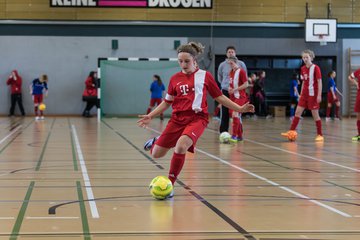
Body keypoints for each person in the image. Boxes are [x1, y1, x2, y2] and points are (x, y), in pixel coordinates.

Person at [137, 42, 254, 198]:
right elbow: (167, 102)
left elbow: (220, 96)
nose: (183, 64)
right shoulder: (174, 79)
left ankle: (170, 185)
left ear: (194, 60)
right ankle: (155, 142)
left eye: (187, 61)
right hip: (177, 119)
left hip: (197, 119)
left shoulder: (205, 76)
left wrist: (238, 108)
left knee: (181, 146)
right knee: (157, 154)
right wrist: (151, 115)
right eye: (180, 61)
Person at [281, 50, 324, 141]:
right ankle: (291, 131)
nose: (305, 59)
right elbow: (304, 82)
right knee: (297, 112)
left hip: (313, 94)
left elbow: (320, 82)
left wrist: (319, 95)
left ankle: (320, 134)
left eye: (307, 57)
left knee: (315, 114)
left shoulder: (316, 68)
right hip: (304, 95)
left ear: (311, 58)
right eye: (303, 57)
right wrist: (300, 94)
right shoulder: (303, 68)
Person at [217, 46, 247, 133]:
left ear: (235, 53)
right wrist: (226, 85)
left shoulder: (241, 64)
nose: (231, 53)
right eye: (229, 52)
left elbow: (244, 78)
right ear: (226, 54)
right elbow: (220, 77)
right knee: (225, 112)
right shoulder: (222, 65)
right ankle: (223, 132)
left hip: (237, 92)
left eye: (232, 52)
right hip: (226, 91)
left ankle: (238, 134)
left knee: (237, 112)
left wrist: (236, 87)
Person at [228, 56, 248, 142]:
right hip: (233, 97)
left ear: (236, 62)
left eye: (232, 63)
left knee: (235, 114)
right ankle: (240, 136)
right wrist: (230, 88)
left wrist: (235, 89)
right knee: (236, 116)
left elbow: (246, 84)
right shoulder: (231, 72)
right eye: (229, 64)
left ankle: (234, 136)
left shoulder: (241, 71)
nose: (231, 65)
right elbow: (231, 83)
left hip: (240, 96)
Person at [348, 69, 360, 141]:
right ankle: (359, 134)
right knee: (358, 115)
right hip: (359, 95)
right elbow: (350, 77)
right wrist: (356, 83)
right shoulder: (358, 71)